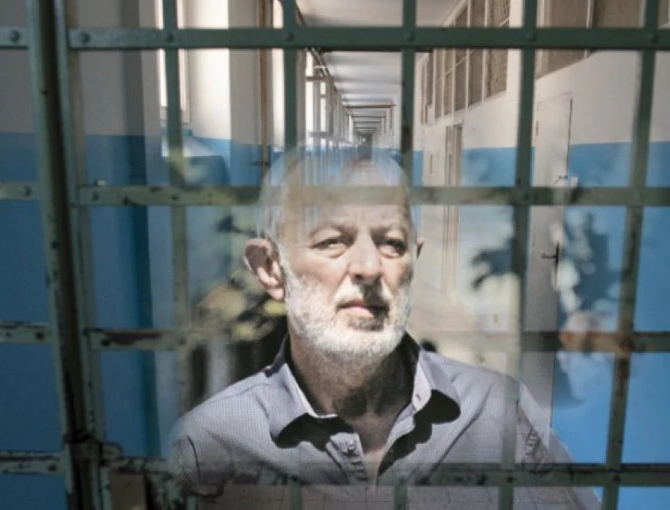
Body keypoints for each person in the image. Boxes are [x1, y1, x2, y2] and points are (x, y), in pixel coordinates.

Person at [170, 152, 533, 499]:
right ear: (271, 269)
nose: (369, 267)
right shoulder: (211, 444)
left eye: (392, 243)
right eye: (331, 242)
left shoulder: (496, 413)